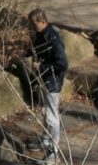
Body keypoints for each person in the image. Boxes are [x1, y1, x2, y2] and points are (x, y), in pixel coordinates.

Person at [27, 9, 67, 162]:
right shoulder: (40, 35)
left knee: (52, 117)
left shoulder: (54, 38)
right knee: (44, 112)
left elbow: (62, 64)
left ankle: (54, 151)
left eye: (33, 24)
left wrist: (41, 68)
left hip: (52, 82)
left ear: (42, 21)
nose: (31, 27)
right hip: (42, 80)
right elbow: (37, 49)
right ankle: (45, 140)